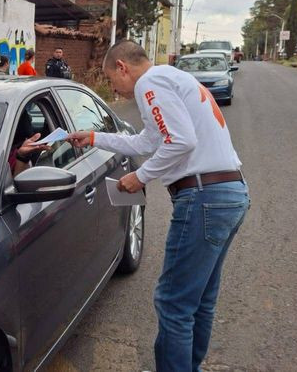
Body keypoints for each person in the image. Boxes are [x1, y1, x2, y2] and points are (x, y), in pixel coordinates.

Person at [66, 40, 249, 372]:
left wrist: (141, 176)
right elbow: (148, 140)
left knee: (173, 303)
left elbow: (181, 141)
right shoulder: (171, 78)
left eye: (111, 80)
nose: (114, 89)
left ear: (122, 66)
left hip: (204, 198)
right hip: (228, 192)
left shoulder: (151, 83)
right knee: (200, 300)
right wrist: (94, 138)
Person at [9, 111, 50, 176]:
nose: (31, 118)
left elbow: (20, 181)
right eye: (28, 117)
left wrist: (22, 157)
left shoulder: (30, 151)